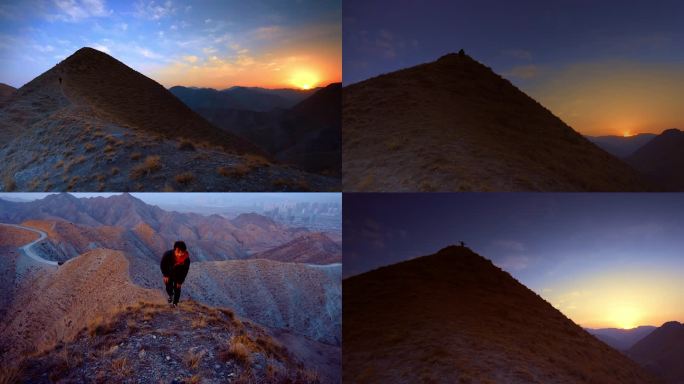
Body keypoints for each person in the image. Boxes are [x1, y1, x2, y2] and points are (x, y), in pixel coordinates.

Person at [160, 241, 190, 308]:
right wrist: (165, 275)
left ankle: (175, 303)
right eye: (178, 252)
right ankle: (170, 295)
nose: (179, 254)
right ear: (174, 250)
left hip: (178, 276)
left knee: (177, 289)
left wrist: (180, 281)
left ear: (184, 251)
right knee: (168, 287)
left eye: (181, 252)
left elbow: (185, 271)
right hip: (169, 274)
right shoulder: (167, 255)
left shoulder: (186, 259)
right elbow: (162, 265)